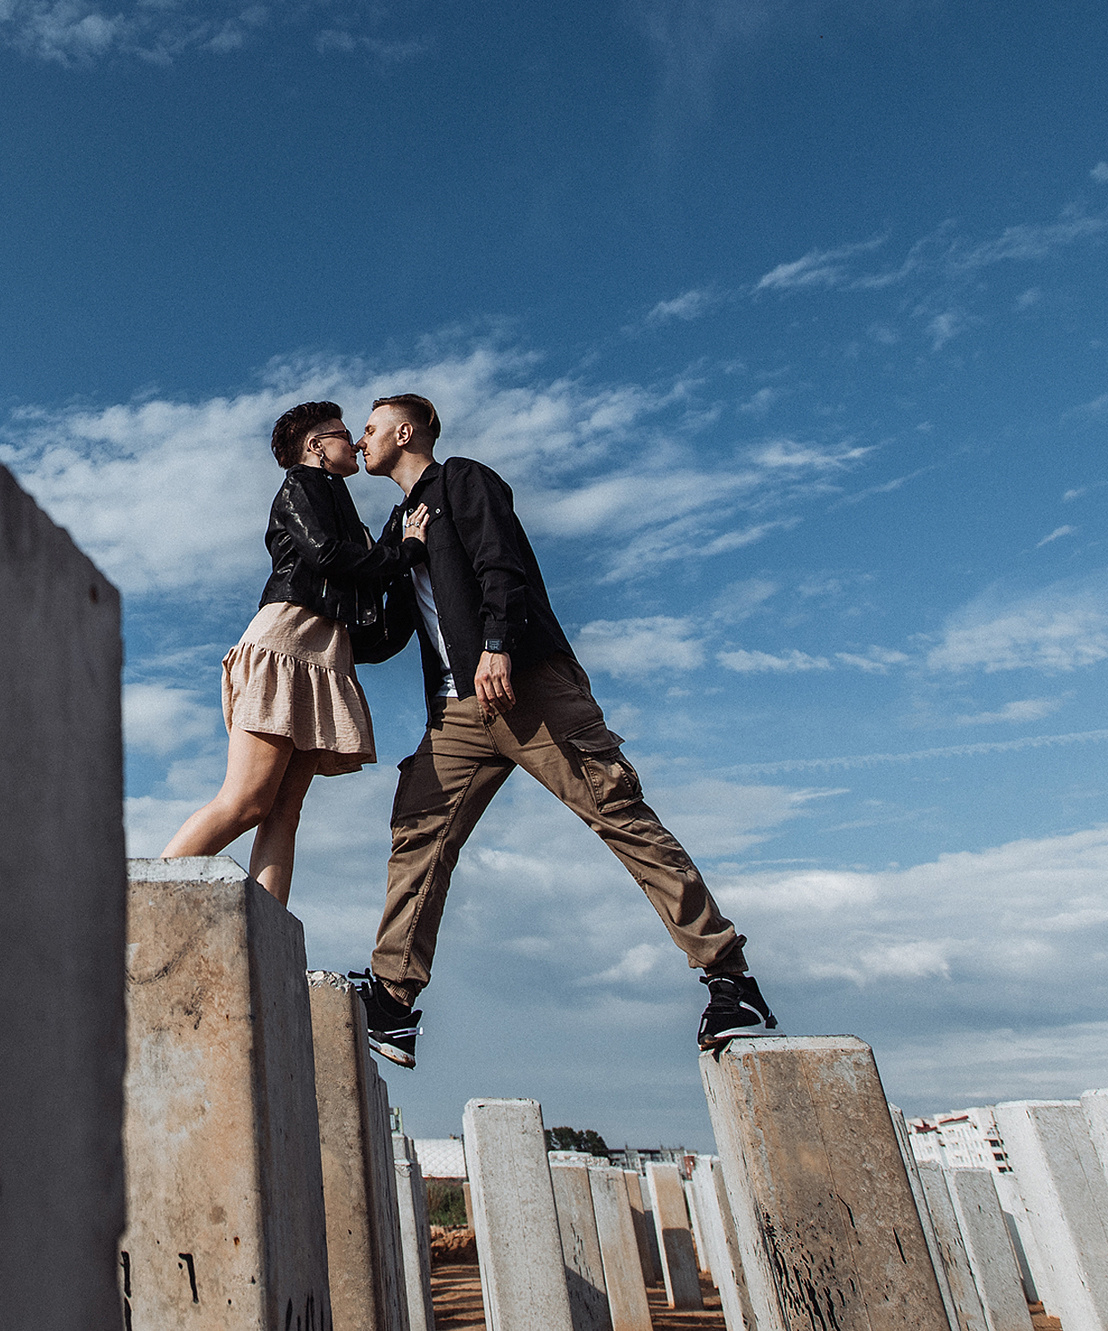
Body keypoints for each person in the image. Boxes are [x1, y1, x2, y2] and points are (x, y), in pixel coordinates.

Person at [347, 392, 777, 1065]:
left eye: (370, 427)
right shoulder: (402, 523)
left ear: (405, 431)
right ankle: (394, 1001)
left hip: (522, 681)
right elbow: (393, 630)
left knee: (616, 810)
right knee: (419, 830)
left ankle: (729, 976)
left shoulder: (463, 479)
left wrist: (496, 644)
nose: (361, 438)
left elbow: (502, 566)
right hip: (458, 710)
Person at [159, 401, 427, 907]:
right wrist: (406, 551)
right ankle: (136, 903)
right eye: (346, 434)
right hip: (287, 642)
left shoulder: (340, 501)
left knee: (285, 812)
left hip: (321, 655)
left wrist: (402, 552)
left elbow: (370, 602)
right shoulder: (302, 486)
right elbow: (324, 554)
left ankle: (268, 934)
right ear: (316, 446)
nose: (358, 443)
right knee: (246, 801)